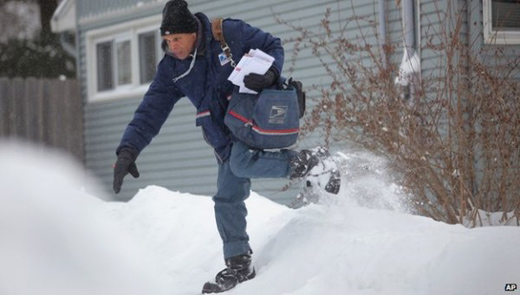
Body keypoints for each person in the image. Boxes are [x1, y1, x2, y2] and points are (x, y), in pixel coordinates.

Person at [112, 0, 336, 293]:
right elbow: (150, 111)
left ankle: (311, 162)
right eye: (166, 40)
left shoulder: (227, 33)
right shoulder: (172, 69)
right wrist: (128, 149)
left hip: (251, 114)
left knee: (241, 164)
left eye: (177, 38)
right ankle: (239, 265)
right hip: (223, 134)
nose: (173, 46)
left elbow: (273, 45)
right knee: (226, 198)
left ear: (193, 31)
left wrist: (269, 73)